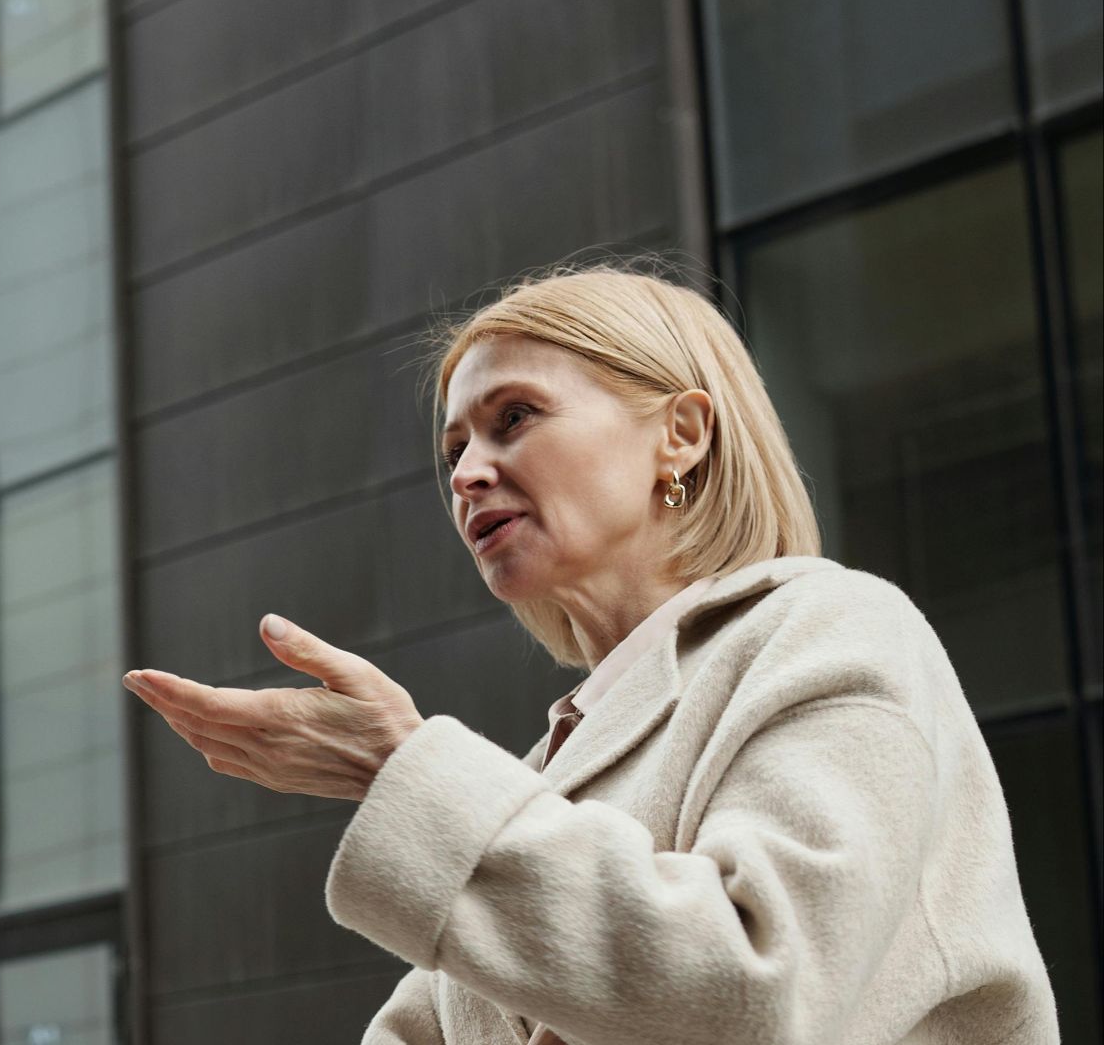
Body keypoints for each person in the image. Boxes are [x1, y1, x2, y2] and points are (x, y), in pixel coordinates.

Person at [124, 266, 1058, 1043]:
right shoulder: (544, 775)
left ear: (681, 436)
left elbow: (761, 988)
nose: (466, 472)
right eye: (452, 448)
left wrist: (399, 766)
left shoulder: (832, 628)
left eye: (514, 417)